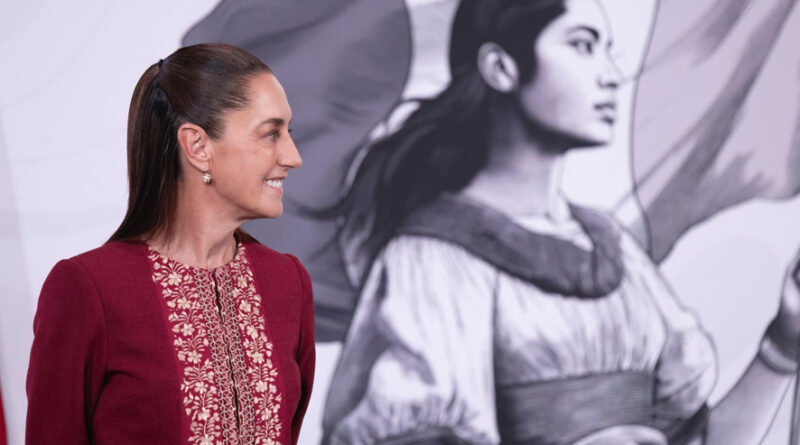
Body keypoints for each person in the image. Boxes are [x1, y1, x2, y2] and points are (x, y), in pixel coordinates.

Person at [321, 0, 800, 444]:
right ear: (501, 67)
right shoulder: (433, 261)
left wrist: (783, 344)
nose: (611, 75)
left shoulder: (614, 249)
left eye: (607, 51)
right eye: (583, 46)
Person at [25, 43, 315, 445]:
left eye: (288, 133)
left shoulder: (286, 282)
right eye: (270, 134)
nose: (293, 157)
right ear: (197, 146)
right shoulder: (88, 289)